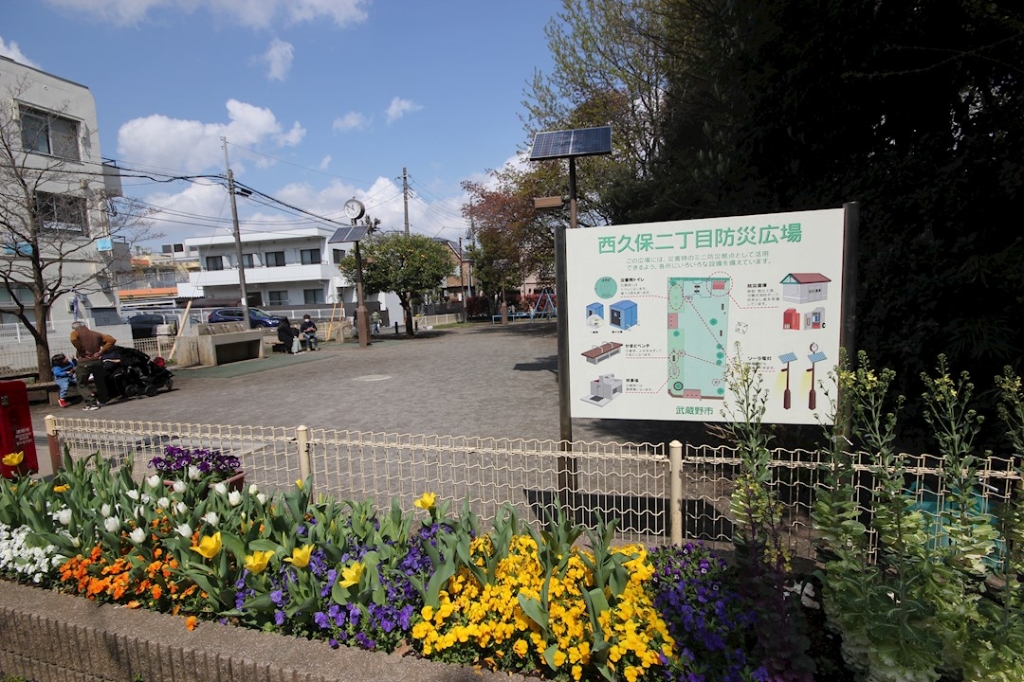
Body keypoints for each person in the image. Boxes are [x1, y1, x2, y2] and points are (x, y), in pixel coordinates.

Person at [70, 321, 116, 410]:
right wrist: (101, 351)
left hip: (84, 361)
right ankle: (103, 400)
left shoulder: (75, 333)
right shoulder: (97, 334)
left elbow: (73, 340)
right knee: (100, 381)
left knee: (82, 383)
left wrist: (82, 350)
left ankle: (91, 403)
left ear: (75, 328)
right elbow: (111, 340)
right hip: (97, 361)